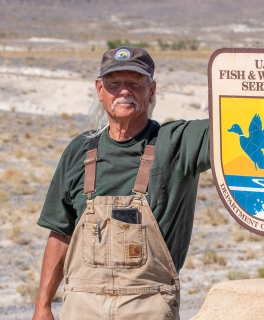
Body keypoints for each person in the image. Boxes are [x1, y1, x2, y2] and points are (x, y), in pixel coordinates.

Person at [33, 46, 210, 320]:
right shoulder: (79, 150)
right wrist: (42, 305)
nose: (124, 91)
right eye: (114, 84)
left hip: (147, 304)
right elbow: (60, 232)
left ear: (151, 91)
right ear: (99, 90)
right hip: (81, 305)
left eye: (135, 83)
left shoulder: (177, 143)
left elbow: (234, 126)